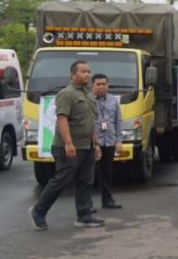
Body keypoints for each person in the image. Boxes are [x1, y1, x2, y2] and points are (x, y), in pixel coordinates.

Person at [29, 60, 105, 229]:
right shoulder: (66, 94)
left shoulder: (89, 94)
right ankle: (39, 211)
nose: (87, 74)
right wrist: (68, 144)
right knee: (62, 180)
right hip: (69, 146)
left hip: (87, 146)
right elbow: (62, 119)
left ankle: (84, 215)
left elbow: (91, 121)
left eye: (89, 71)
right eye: (83, 71)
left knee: (86, 180)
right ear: (73, 74)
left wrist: (96, 144)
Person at [91, 73, 123, 211]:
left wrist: (119, 140)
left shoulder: (113, 100)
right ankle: (87, 204)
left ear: (108, 85)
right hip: (93, 142)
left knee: (107, 172)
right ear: (92, 86)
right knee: (89, 174)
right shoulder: (88, 100)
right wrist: (94, 143)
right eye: (98, 84)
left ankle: (107, 200)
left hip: (109, 141)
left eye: (104, 84)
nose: (101, 86)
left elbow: (118, 120)